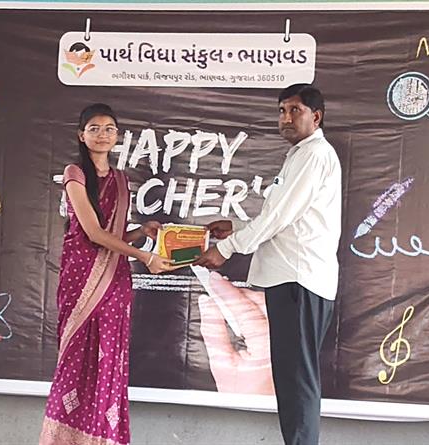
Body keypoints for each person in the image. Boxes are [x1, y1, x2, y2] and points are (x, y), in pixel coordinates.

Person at [195, 84, 341, 445]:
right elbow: (286, 219)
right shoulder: (300, 155)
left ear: (316, 117)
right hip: (293, 280)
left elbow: (278, 217)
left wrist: (228, 248)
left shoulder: (313, 155)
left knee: (297, 380)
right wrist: (237, 227)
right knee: (292, 379)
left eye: (295, 110)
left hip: (299, 281)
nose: (286, 118)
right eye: (282, 111)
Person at [40, 104, 173, 445]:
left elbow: (114, 238)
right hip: (81, 279)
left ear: (117, 136)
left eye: (109, 128)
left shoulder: (121, 180)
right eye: (95, 128)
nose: (102, 134)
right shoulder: (75, 174)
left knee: (108, 361)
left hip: (115, 281)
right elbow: (94, 233)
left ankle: (102, 438)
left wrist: (141, 232)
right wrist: (144, 256)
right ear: (81, 135)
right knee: (76, 361)